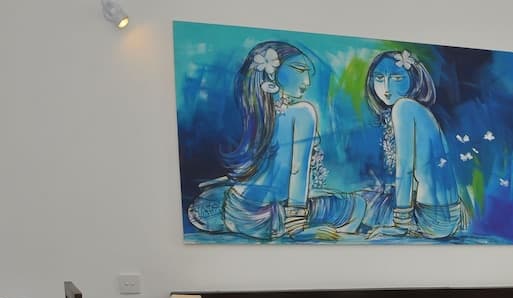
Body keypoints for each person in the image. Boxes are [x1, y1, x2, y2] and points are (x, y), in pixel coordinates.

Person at [187, 41, 362, 241]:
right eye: (299, 70)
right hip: (270, 218)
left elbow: (265, 165)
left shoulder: (261, 113)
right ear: (272, 72)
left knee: (323, 195)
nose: (307, 81)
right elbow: (297, 171)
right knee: (357, 205)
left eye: (308, 73)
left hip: (237, 209)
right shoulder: (303, 112)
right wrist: (297, 227)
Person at [362, 50, 468, 239]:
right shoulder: (423, 112)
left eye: (396, 78)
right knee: (374, 198)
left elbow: (405, 170)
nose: (386, 87)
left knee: (361, 203)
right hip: (451, 213)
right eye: (379, 78)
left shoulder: (403, 107)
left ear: (413, 79)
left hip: (430, 219)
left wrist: (401, 225)